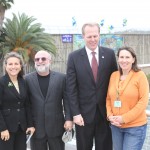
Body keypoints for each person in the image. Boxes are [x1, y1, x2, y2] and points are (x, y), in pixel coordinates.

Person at [66, 22, 118, 150]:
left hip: (105, 114)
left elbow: (115, 84)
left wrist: (115, 110)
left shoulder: (110, 54)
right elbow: (71, 89)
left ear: (99, 35)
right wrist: (75, 113)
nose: (93, 39)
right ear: (83, 36)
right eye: (89, 36)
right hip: (83, 116)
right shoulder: (74, 57)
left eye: (95, 36)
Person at [25, 50, 73, 150]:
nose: (40, 61)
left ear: (50, 61)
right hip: (36, 128)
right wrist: (29, 124)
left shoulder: (61, 78)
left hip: (56, 127)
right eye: (37, 59)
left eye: (43, 59)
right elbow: (26, 104)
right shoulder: (27, 79)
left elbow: (67, 101)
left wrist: (69, 119)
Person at [106, 46, 149, 150]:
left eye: (127, 57)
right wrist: (110, 115)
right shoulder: (114, 75)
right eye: (121, 57)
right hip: (116, 126)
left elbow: (143, 102)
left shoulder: (140, 75)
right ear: (118, 59)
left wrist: (124, 118)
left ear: (133, 59)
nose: (124, 60)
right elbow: (108, 98)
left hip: (135, 127)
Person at [0, 52, 35, 150]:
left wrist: (30, 125)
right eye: (10, 64)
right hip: (6, 129)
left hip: (21, 128)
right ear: (5, 66)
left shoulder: (23, 82)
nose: (13, 67)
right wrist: (2, 129)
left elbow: (27, 105)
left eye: (16, 64)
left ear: (20, 66)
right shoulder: (1, 82)